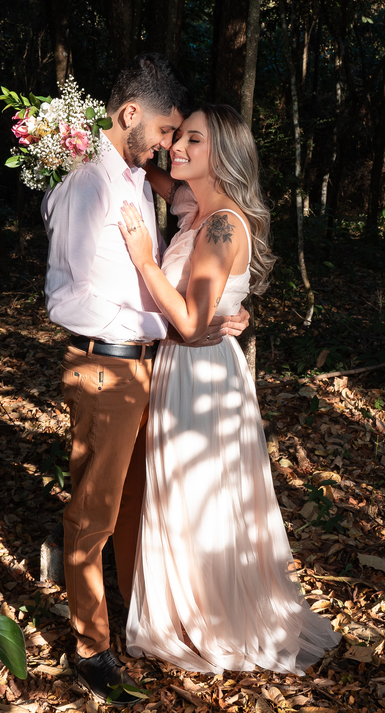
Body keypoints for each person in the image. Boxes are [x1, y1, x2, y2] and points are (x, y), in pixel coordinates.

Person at [41, 54, 248, 706]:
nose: (166, 145)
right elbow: (64, 300)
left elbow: (208, 235)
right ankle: (91, 649)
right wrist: (174, 329)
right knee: (94, 511)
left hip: (144, 369)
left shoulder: (135, 177)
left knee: (134, 506)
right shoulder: (84, 185)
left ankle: (132, 618)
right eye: (164, 131)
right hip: (106, 365)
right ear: (130, 115)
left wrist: (217, 313)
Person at [118, 104, 340, 675]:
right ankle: (192, 607)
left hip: (198, 371)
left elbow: (192, 322)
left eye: (194, 139)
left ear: (225, 155)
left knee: (202, 498)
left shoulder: (221, 223)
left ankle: (212, 617)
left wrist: (145, 258)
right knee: (187, 498)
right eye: (178, 135)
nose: (177, 146)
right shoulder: (198, 207)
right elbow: (157, 176)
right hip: (188, 367)